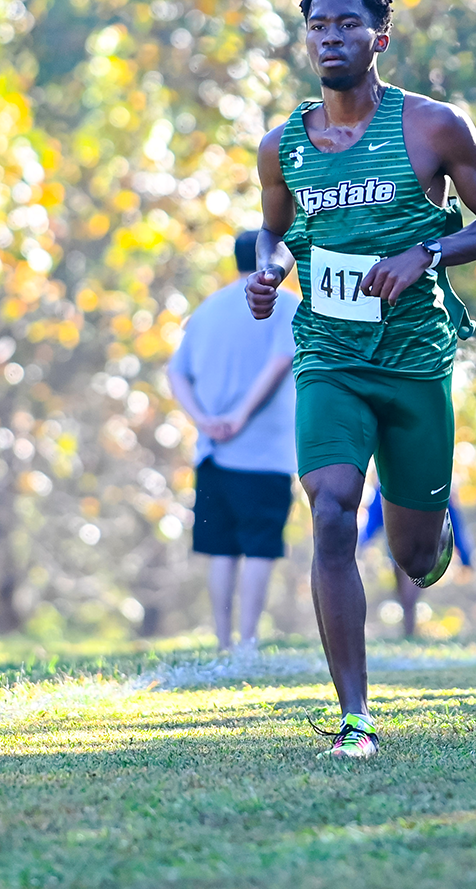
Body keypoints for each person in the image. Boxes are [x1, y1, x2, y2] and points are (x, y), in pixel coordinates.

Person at [247, 0, 476, 758]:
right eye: (317, 26)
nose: (330, 37)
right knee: (331, 512)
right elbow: (271, 231)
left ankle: (429, 537)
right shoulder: (283, 146)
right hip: (329, 356)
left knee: (412, 554)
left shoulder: (433, 127)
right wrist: (269, 271)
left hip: (412, 362)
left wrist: (427, 251)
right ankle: (356, 720)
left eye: (345, 25)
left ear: (379, 38)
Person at [168, 229, 298, 653]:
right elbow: (281, 362)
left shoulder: (208, 309)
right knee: (260, 546)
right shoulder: (287, 306)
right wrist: (240, 417)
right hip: (265, 452)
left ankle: (223, 641)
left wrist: (203, 420)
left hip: (212, 452)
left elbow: (176, 372)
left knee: (221, 548)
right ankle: (249, 640)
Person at [358, 475, 472, 638]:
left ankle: (409, 630)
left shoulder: (436, 477)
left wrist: (465, 556)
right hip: (398, 545)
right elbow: (376, 513)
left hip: (425, 542)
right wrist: (362, 541)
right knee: (404, 595)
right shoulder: (387, 479)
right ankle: (408, 630)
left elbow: (452, 517)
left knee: (409, 593)